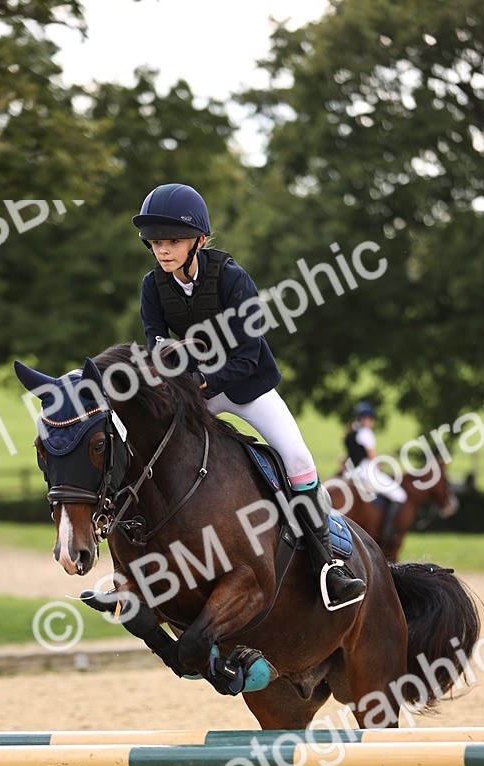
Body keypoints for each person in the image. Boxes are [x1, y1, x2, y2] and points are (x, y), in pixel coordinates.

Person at [128, 182, 366, 612]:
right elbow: (155, 342)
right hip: (194, 391)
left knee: (297, 460)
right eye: (157, 242)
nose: (163, 250)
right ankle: (135, 566)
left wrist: (200, 382)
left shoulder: (232, 278)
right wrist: (168, 362)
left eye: (173, 241)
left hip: (245, 388)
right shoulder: (152, 285)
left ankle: (330, 566)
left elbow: (246, 354)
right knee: (146, 445)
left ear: (198, 241)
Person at [344, 400, 407, 547]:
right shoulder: (366, 433)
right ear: (365, 418)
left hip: (351, 473)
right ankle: (387, 532)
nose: (372, 421)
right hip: (366, 472)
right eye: (371, 418)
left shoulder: (350, 431)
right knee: (400, 495)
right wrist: (382, 465)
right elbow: (372, 458)